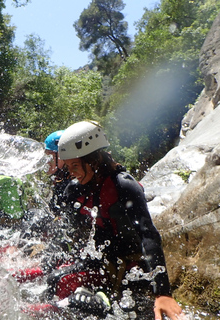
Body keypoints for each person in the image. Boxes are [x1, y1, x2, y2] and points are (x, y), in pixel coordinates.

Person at [19, 121, 184, 319]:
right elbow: (65, 231)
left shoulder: (124, 186)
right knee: (56, 279)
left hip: (131, 268)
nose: (71, 172)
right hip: (99, 262)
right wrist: (50, 261)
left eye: (75, 165)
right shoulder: (75, 189)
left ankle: (102, 303)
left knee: (92, 304)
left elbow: (148, 236)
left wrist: (163, 292)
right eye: (68, 165)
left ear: (94, 161)